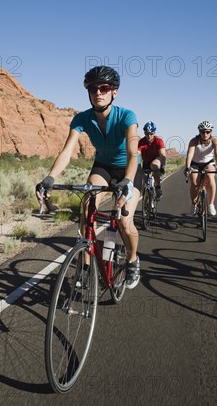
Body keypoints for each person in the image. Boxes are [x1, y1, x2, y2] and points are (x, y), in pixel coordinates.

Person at [36, 66, 142, 290]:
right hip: (103, 166)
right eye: (93, 89)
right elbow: (66, 152)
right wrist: (50, 178)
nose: (98, 92)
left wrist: (128, 181)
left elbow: (134, 152)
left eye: (104, 88)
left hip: (129, 170)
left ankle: (132, 260)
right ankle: (84, 267)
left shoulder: (126, 116)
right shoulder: (81, 119)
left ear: (114, 92)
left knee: (124, 220)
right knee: (87, 210)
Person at [184, 121, 217, 216]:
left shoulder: (214, 141)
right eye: (202, 132)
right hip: (195, 164)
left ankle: (211, 204)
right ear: (199, 132)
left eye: (207, 132)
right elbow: (189, 155)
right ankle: (194, 204)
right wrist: (187, 167)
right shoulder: (194, 141)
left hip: (208, 163)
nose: (205, 134)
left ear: (211, 132)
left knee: (210, 176)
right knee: (194, 182)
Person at [138, 121, 166, 199]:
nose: (149, 136)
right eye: (147, 134)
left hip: (156, 160)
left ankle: (158, 188)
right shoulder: (141, 141)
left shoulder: (158, 141)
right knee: (144, 181)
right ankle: (144, 199)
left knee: (154, 165)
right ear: (144, 133)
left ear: (154, 133)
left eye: (151, 134)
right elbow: (137, 153)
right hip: (146, 161)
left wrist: (163, 166)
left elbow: (163, 155)